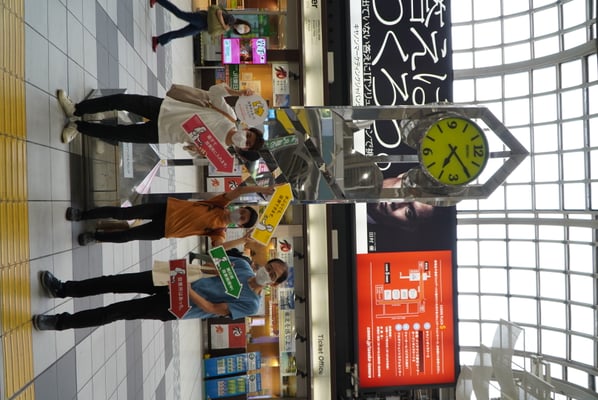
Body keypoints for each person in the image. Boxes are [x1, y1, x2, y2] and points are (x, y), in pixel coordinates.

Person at [31, 256, 289, 331]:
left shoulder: (251, 303)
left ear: (274, 285)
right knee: (115, 281)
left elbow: (212, 309)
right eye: (269, 267)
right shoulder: (243, 266)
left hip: (179, 304)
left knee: (117, 311)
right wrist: (210, 267)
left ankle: (59, 322)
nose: (267, 272)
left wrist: (188, 290)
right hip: (175, 279)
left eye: (273, 275)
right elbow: (213, 264)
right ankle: (62, 288)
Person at [56, 83, 264, 155]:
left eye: (247, 144)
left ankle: (78, 127)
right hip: (166, 108)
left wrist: (196, 149)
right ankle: (76, 109)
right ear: (246, 129)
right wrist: (237, 92)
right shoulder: (229, 116)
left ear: (244, 149)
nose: (244, 139)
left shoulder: (219, 151)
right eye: (248, 136)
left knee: (118, 134)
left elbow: (191, 150)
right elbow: (214, 92)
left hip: (164, 133)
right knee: (121, 100)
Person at [68, 184, 276, 246]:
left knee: (128, 236)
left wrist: (242, 241)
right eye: (242, 211)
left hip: (164, 230)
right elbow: (240, 191)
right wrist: (262, 190)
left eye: (242, 219)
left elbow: (218, 248)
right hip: (165, 209)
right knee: (123, 213)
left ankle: (95, 236)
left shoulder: (218, 231)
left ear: (239, 226)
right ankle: (83, 215)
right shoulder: (219, 205)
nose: (240, 215)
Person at [150, 0, 251, 51]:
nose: (243, 29)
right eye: (245, 27)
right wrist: (224, 26)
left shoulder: (231, 27)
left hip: (202, 27)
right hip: (202, 19)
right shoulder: (232, 20)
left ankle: (158, 40)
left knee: (181, 33)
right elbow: (219, 12)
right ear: (243, 23)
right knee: (180, 14)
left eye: (244, 31)